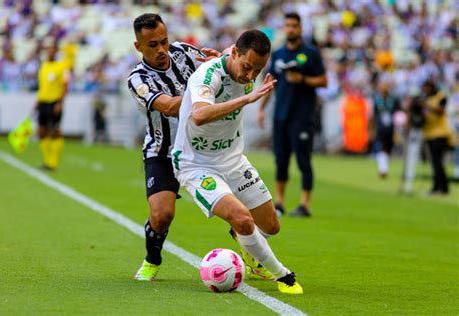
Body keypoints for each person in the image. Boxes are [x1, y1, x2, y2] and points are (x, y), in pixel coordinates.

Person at [172, 29, 302, 294]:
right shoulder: (207, 76)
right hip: (196, 164)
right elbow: (199, 115)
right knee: (243, 219)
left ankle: (248, 248)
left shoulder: (241, 62)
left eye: (257, 69)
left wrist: (241, 75)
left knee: (271, 226)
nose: (250, 76)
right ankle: (283, 276)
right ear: (234, 54)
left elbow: (236, 56)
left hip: (232, 160)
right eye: (246, 67)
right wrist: (246, 98)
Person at [127, 13, 221, 281]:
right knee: (162, 214)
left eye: (164, 42)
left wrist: (221, 62)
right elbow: (168, 107)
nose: (162, 50)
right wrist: (201, 94)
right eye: (153, 45)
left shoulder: (183, 52)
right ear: (139, 47)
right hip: (162, 151)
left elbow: (217, 68)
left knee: (236, 205)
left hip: (202, 146)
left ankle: (251, 256)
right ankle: (152, 260)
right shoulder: (137, 79)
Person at [257, 12, 327, 217]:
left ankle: (305, 204)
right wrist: (261, 109)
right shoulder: (278, 54)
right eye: (287, 25)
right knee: (281, 160)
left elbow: (324, 80)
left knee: (303, 160)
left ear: (300, 28)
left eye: (294, 26)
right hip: (281, 115)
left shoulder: (311, 53)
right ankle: (279, 202)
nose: (291, 29)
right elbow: (270, 84)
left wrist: (302, 79)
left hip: (303, 116)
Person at [35, 40, 70, 171]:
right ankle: (46, 160)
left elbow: (65, 86)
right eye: (47, 49)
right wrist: (37, 102)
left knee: (55, 131)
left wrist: (60, 103)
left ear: (56, 51)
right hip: (43, 102)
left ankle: (53, 163)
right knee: (42, 131)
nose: (49, 51)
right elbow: (42, 87)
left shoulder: (61, 66)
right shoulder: (44, 66)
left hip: (54, 102)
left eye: (51, 49)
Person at [421, 80, 450, 195]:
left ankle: (441, 186)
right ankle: (440, 186)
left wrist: (428, 106)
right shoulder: (426, 99)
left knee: (438, 162)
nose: (425, 90)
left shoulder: (440, 97)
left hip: (440, 133)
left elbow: (441, 110)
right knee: (434, 162)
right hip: (429, 133)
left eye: (427, 88)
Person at [372, 78, 400, 178]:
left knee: (388, 148)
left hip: (390, 128)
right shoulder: (377, 100)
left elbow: (398, 114)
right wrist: (372, 129)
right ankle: (383, 169)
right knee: (381, 147)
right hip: (381, 128)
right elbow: (374, 115)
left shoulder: (394, 100)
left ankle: (384, 167)